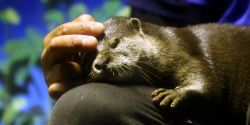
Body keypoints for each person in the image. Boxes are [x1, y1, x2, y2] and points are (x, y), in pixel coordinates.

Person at [42, 0, 250, 124]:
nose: (102, 60)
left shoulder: (173, 54)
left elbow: (206, 88)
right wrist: (72, 68)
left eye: (114, 45)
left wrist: (181, 93)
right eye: (94, 58)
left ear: (137, 29)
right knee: (81, 106)